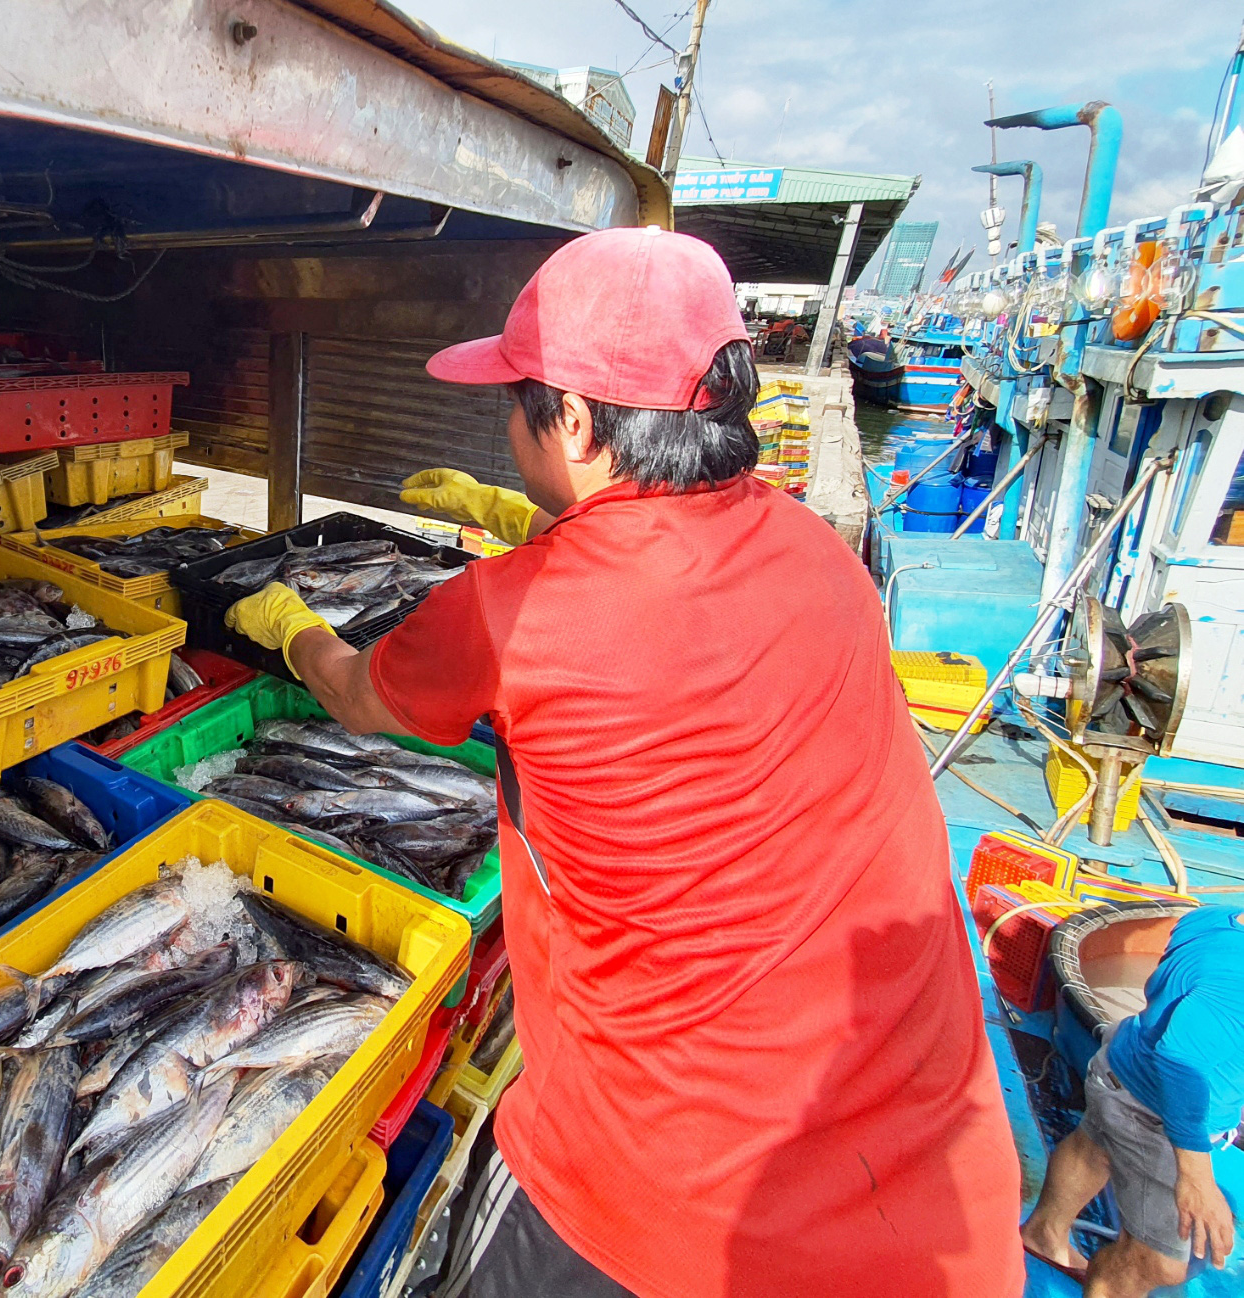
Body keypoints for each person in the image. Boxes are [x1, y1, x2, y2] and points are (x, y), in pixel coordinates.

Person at [222, 227, 1025, 1297]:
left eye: (514, 400)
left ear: (576, 420)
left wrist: (288, 628)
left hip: (666, 1211)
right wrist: (521, 516)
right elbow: (665, 599)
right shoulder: (820, 556)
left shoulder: (512, 614)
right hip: (930, 1203)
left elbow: (359, 695)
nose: (504, 420)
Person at [1022, 905, 1244, 1295]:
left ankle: (1044, 1233)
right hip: (1157, 1114)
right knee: (1162, 1262)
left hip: (1119, 1064)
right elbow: (1178, 1062)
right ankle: (1108, 1284)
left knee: (1093, 1145)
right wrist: (1196, 1179)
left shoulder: (1216, 918)